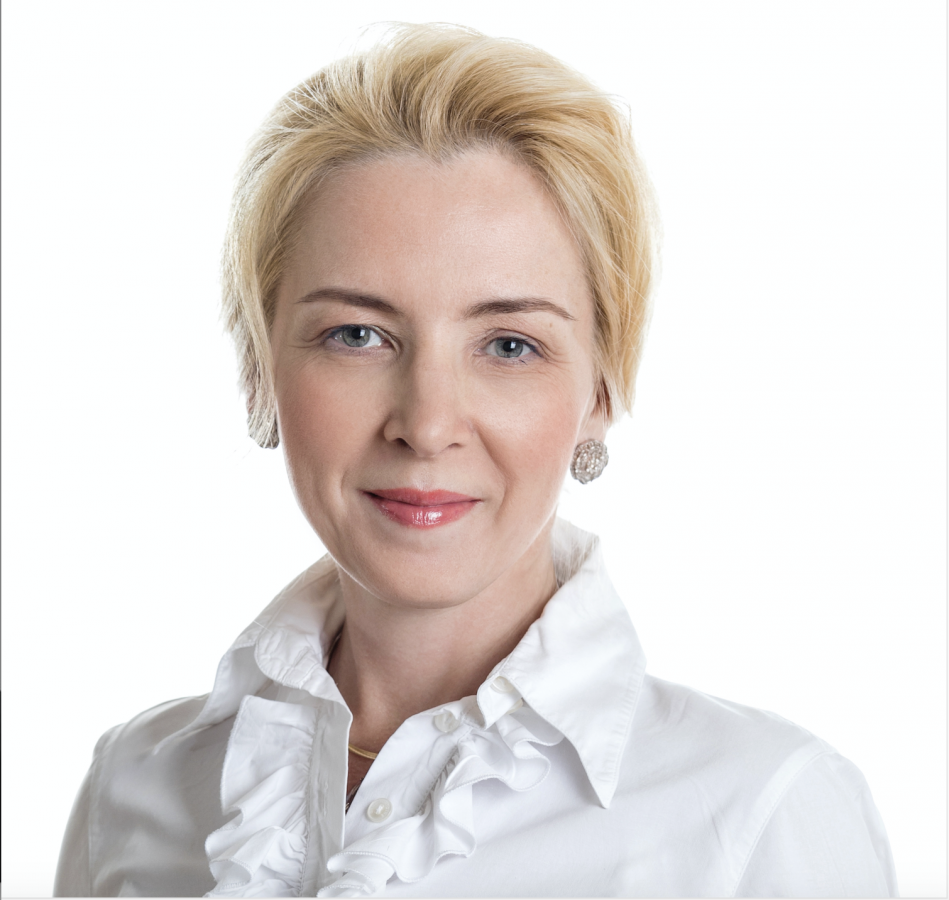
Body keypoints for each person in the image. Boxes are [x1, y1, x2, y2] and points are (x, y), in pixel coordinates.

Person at [54, 23, 897, 898]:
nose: (426, 425)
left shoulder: (761, 816)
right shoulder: (135, 785)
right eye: (357, 335)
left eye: (507, 345)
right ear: (258, 370)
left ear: (600, 391)